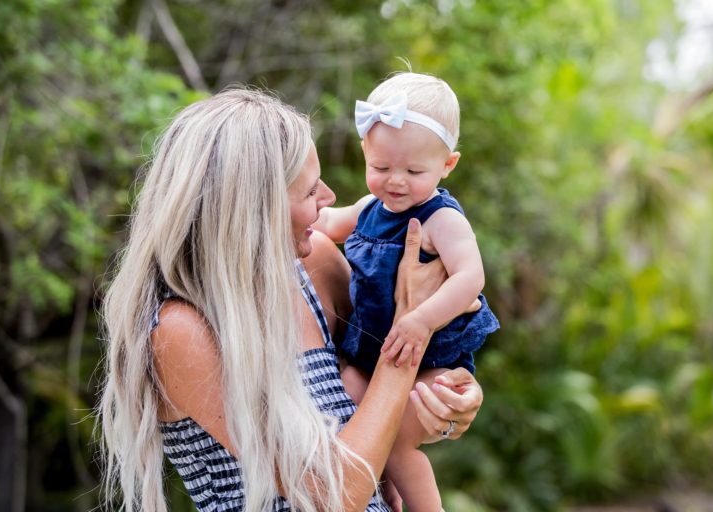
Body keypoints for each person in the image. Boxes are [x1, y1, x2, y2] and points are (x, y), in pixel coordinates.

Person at [97, 87, 485, 512]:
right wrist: (407, 333)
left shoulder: (314, 264)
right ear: (254, 209)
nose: (330, 199)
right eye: (309, 191)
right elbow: (331, 493)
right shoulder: (181, 330)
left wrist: (450, 403)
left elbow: (382, 398)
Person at [314, 72, 499, 511]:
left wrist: (422, 319)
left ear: (447, 165)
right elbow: (322, 224)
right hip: (370, 352)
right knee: (350, 407)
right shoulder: (368, 209)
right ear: (366, 154)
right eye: (380, 168)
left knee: (396, 441)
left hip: (432, 358)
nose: (395, 181)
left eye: (414, 171)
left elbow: (470, 278)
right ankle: (383, 494)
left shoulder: (442, 220)